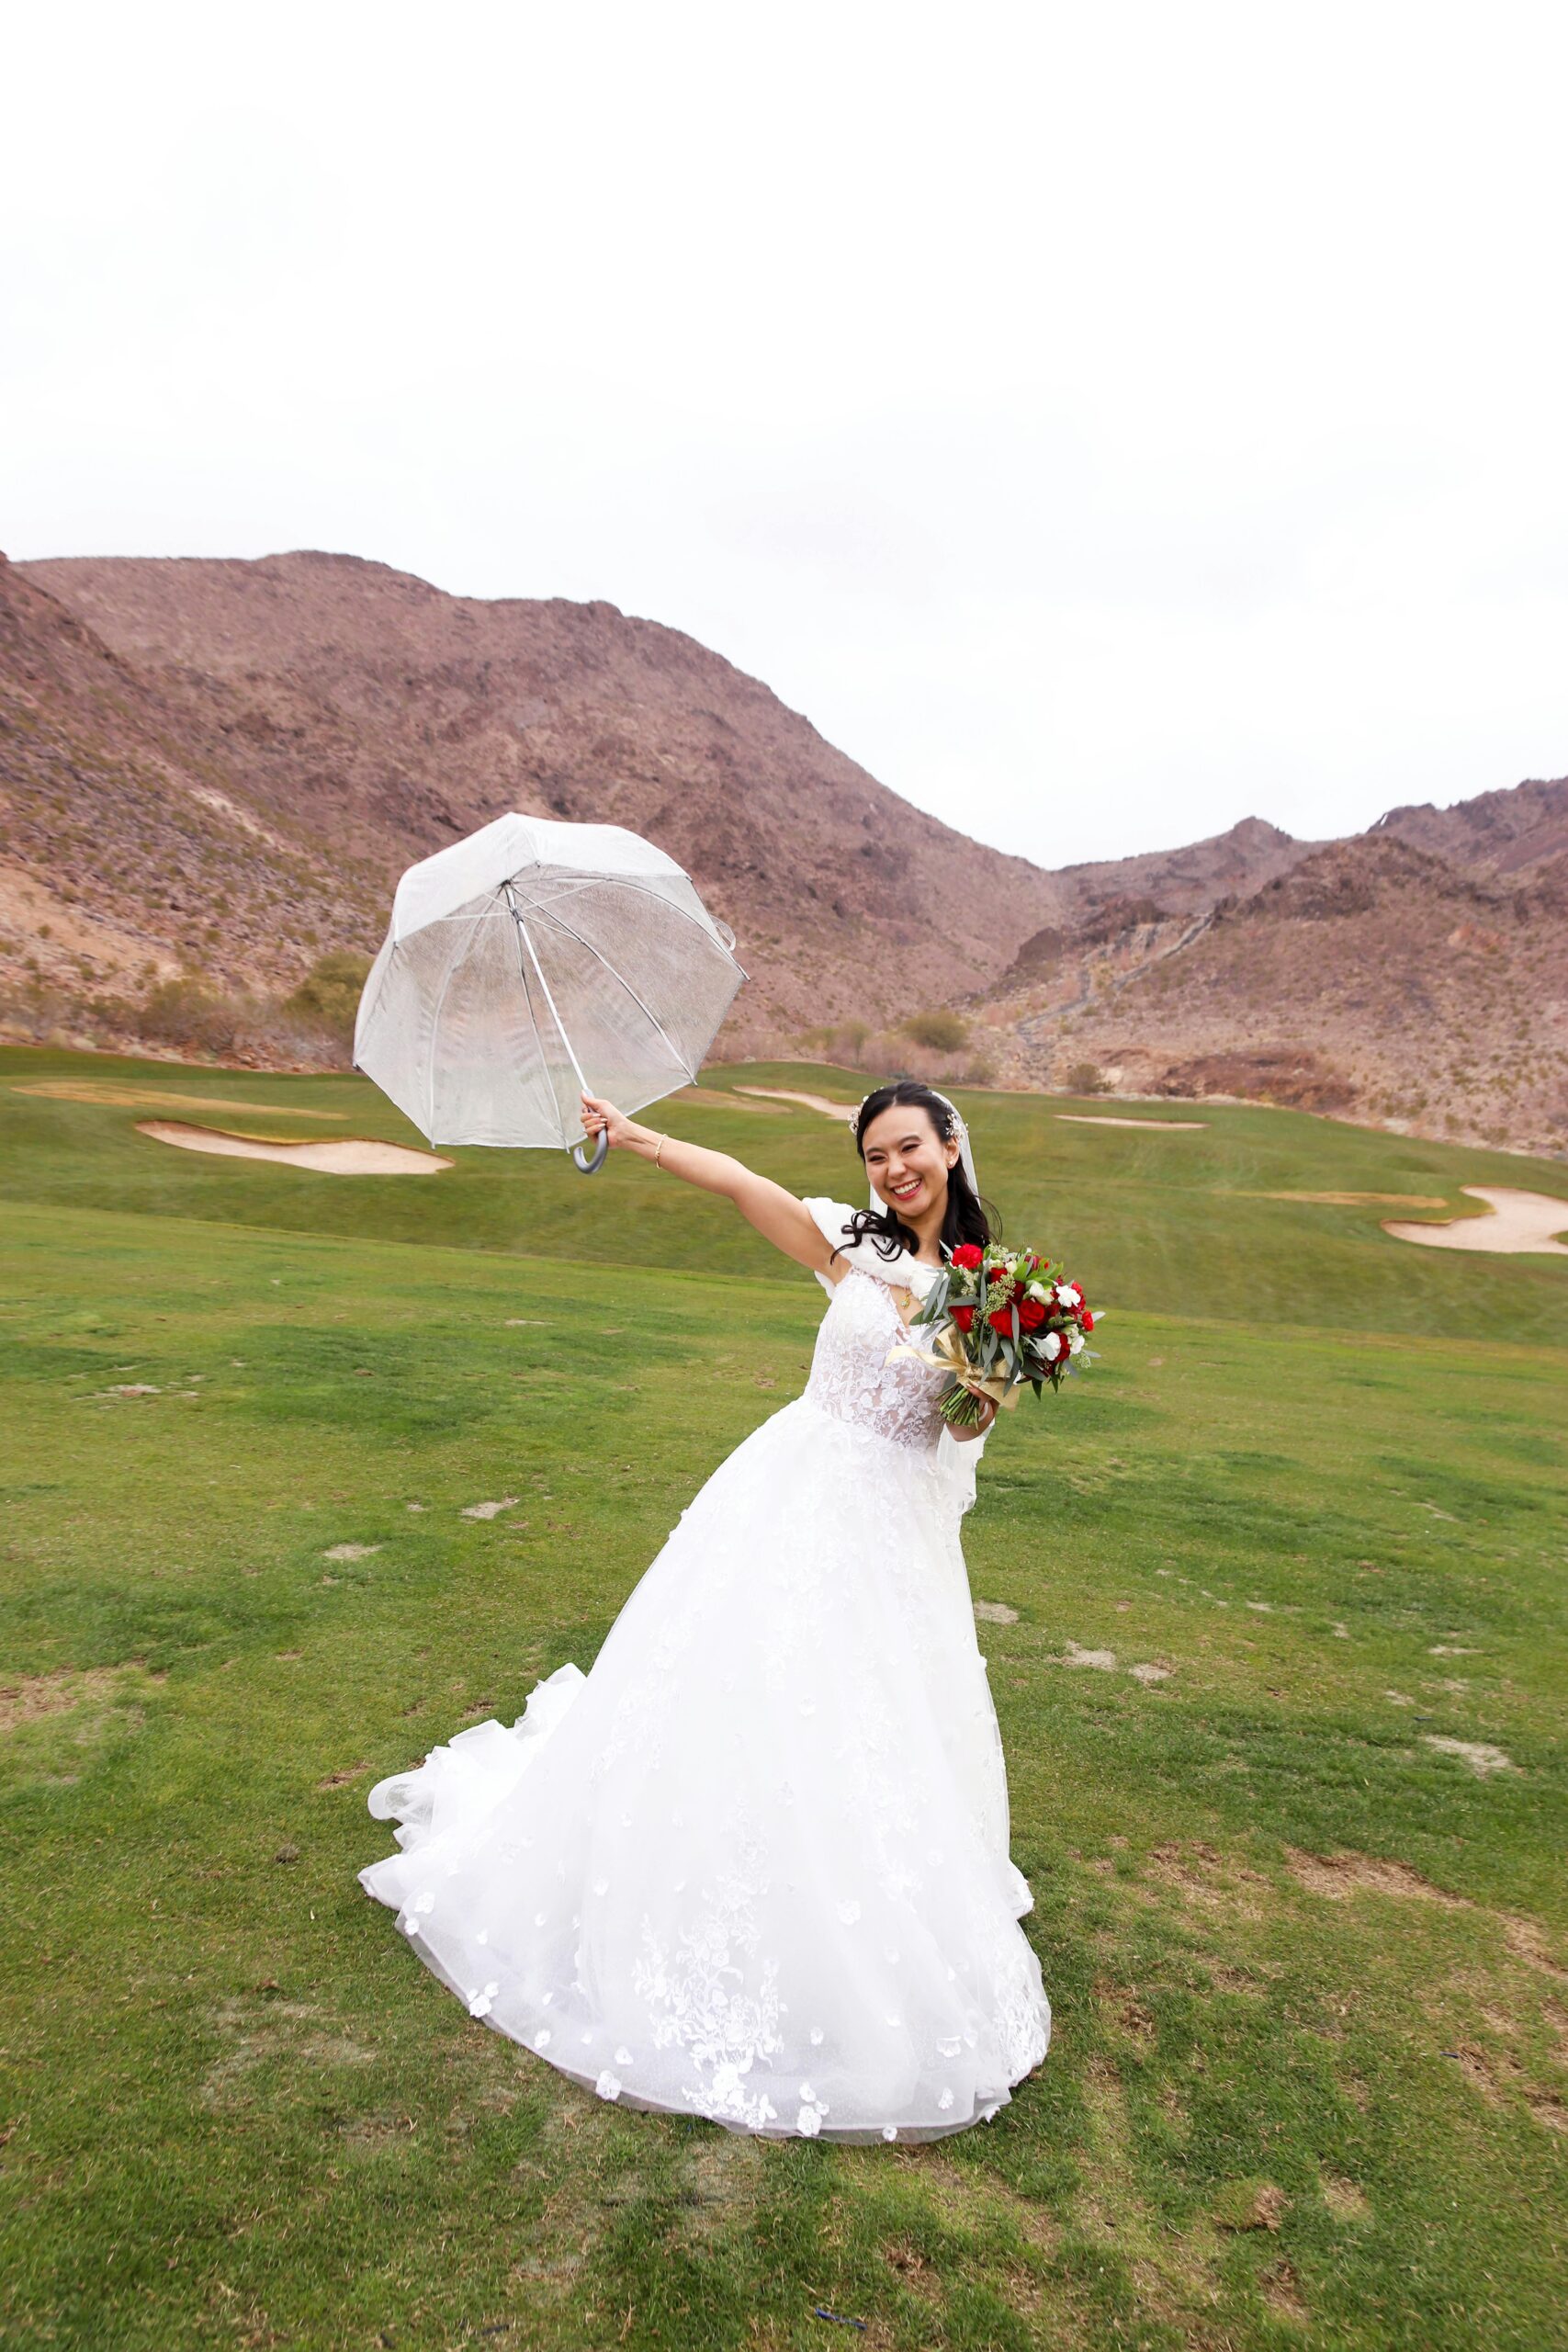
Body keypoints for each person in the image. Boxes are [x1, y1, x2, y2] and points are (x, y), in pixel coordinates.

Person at [359, 1079, 1051, 2143]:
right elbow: (738, 1181)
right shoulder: (853, 1247)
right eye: (874, 1154)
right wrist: (634, 1136)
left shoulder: (998, 1292)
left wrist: (987, 1386)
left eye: (907, 1147)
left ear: (952, 1146)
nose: (891, 1169)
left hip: (886, 1532)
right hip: (794, 1486)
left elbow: (959, 1439)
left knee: (858, 1714)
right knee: (740, 1680)